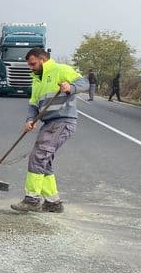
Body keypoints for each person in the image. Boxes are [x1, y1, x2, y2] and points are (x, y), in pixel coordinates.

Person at [11, 48, 88, 213]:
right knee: (43, 160)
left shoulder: (61, 69)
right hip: (49, 123)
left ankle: (32, 199)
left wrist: (70, 87)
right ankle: (53, 202)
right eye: (29, 65)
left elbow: (84, 84)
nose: (31, 68)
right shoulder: (36, 80)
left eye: (33, 64)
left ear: (43, 59)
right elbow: (33, 104)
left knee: (38, 156)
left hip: (63, 120)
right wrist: (30, 120)